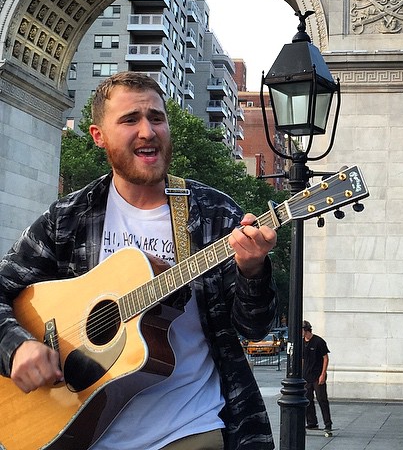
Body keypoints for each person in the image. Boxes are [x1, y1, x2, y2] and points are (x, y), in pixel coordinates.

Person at [0, 72, 278, 450]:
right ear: (99, 136)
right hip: (77, 429)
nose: (147, 131)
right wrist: (17, 346)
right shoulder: (69, 217)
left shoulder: (213, 213)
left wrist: (253, 270)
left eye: (156, 118)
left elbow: (255, 327)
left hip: (189, 428)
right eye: (130, 120)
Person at [302, 320, 332, 432]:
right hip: (306, 376)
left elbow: (325, 358)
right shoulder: (301, 342)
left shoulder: (319, 341)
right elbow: (302, 359)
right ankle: (311, 422)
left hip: (317, 375)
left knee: (322, 399)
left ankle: (328, 423)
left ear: (306, 330)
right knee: (307, 400)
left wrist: (323, 374)